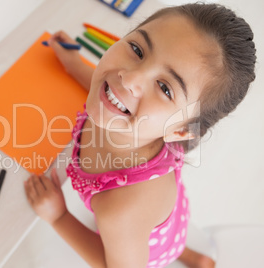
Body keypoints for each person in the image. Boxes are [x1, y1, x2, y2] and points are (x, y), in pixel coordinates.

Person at [24, 3, 256, 268]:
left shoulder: (120, 210)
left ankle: (185, 253)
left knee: (138, 232)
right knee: (146, 228)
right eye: (137, 50)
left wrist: (58, 217)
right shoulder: (137, 118)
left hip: (143, 241)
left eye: (165, 88)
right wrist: (73, 63)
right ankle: (191, 255)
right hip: (158, 219)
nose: (128, 78)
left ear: (180, 131)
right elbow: (111, 88)